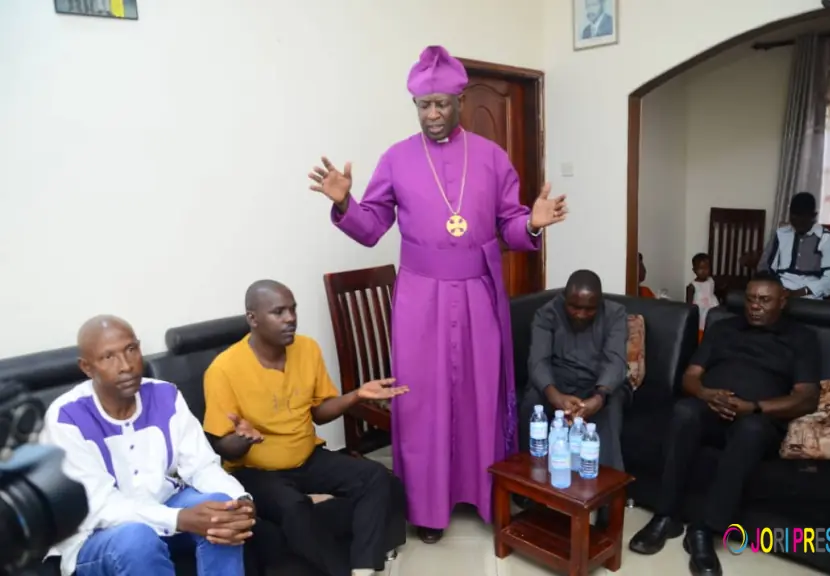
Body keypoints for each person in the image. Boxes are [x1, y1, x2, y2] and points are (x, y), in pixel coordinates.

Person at [307, 45, 568, 543]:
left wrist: (532, 224)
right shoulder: (397, 158)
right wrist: (345, 204)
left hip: (477, 295)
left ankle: (484, 493)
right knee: (422, 401)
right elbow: (371, 228)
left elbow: (511, 225)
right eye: (424, 105)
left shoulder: (491, 157)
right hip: (420, 299)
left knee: (479, 394)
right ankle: (427, 508)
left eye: (441, 104)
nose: (432, 114)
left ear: (459, 101)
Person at [203, 280, 408, 576]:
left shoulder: (307, 349)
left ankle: (363, 567)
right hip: (255, 470)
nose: (290, 318)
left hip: (307, 456)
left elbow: (320, 414)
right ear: (253, 319)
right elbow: (223, 447)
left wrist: (356, 395)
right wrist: (243, 439)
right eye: (278, 312)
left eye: (293, 309)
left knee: (375, 476)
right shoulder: (223, 370)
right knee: (293, 507)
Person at [628, 273, 821, 576]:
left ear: (783, 301)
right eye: (751, 299)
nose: (755, 306)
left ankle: (704, 530)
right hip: (711, 407)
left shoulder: (801, 338)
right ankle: (666, 516)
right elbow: (690, 377)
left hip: (758, 418)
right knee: (684, 411)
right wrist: (706, 394)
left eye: (765, 300)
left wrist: (755, 407)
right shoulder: (723, 328)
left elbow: (807, 398)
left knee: (751, 430)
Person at [40, 316, 253, 576]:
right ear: (87, 367)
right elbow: (100, 507)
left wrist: (240, 499)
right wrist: (177, 518)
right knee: (137, 539)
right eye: (108, 357)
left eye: (131, 349)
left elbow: (201, 466)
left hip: (164, 506)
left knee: (222, 508)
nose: (126, 365)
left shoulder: (166, 395)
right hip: (97, 535)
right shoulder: (66, 417)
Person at [519, 270, 630, 474]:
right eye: (574, 307)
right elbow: (538, 361)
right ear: (564, 298)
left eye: (589, 309)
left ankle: (608, 485)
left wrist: (599, 397)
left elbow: (615, 361)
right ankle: (529, 477)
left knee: (611, 407)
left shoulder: (615, 314)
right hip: (558, 382)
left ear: (600, 303)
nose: (581, 314)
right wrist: (555, 396)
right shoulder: (546, 313)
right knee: (533, 401)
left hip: (599, 384)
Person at [756, 192, 830, 299]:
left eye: (803, 218)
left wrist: (802, 292)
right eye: (794, 216)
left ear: (813, 216)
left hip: (810, 292)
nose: (797, 221)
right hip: (779, 289)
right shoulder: (780, 234)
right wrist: (774, 286)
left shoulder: (826, 238)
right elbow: (764, 267)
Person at [686, 252, 719, 341]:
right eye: (701, 268)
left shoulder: (711, 280)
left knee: (714, 325)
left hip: (712, 306)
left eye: (706, 268)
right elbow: (689, 305)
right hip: (701, 310)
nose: (704, 271)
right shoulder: (692, 286)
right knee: (702, 329)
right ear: (694, 270)